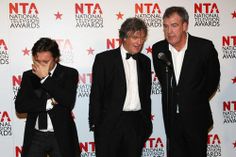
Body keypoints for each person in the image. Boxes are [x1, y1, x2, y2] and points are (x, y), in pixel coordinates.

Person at [152, 6, 220, 157]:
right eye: (166, 26)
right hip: (171, 120)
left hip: (196, 118)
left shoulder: (204, 48)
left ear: (185, 26)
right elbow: (165, 81)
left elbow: (212, 81)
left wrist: (192, 98)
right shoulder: (158, 49)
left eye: (174, 25)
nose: (169, 31)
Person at [89, 17, 153, 157]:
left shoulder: (145, 62)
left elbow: (146, 95)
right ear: (124, 37)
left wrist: (146, 124)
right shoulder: (104, 59)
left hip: (136, 123)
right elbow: (96, 93)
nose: (139, 42)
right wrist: (96, 124)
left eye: (142, 38)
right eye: (135, 37)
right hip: (110, 123)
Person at [15, 38, 81, 157]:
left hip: (60, 135)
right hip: (35, 135)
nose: (40, 65)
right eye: (37, 61)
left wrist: (45, 78)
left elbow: (68, 101)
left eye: (45, 62)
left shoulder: (69, 73)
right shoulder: (28, 75)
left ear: (56, 58)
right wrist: (48, 103)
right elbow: (20, 106)